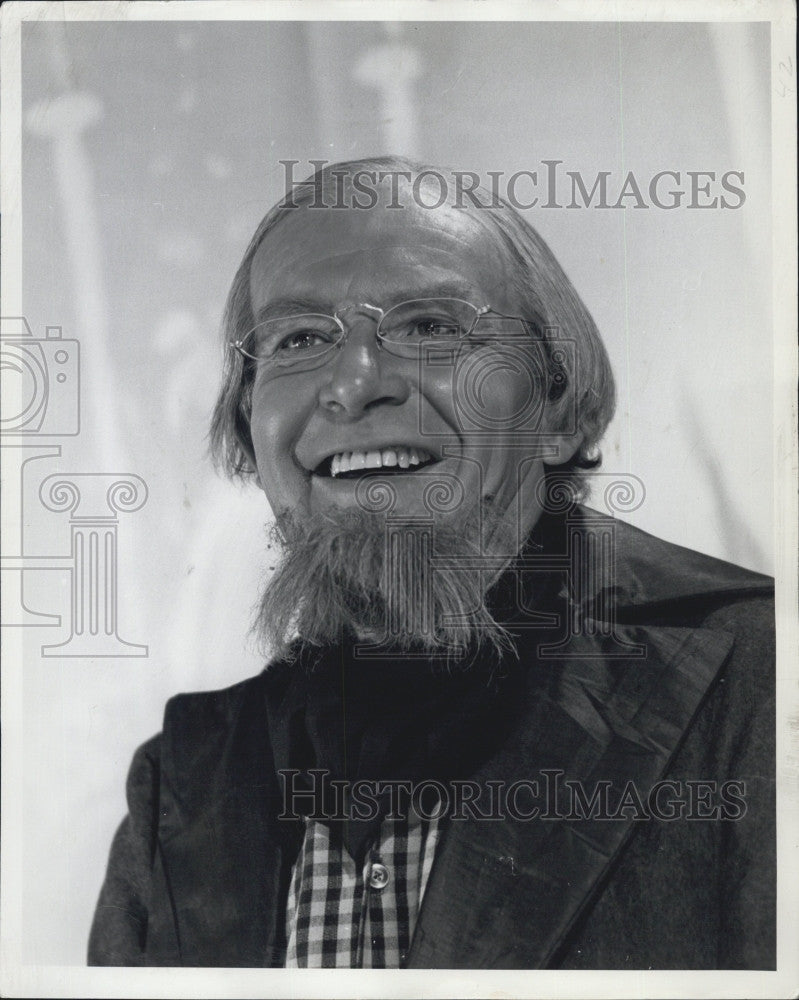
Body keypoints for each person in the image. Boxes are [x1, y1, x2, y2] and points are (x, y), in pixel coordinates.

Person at [88, 157, 775, 969]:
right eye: (299, 339)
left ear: (556, 407)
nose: (352, 385)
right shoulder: (179, 782)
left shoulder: (762, 681)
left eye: (430, 327)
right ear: (248, 432)